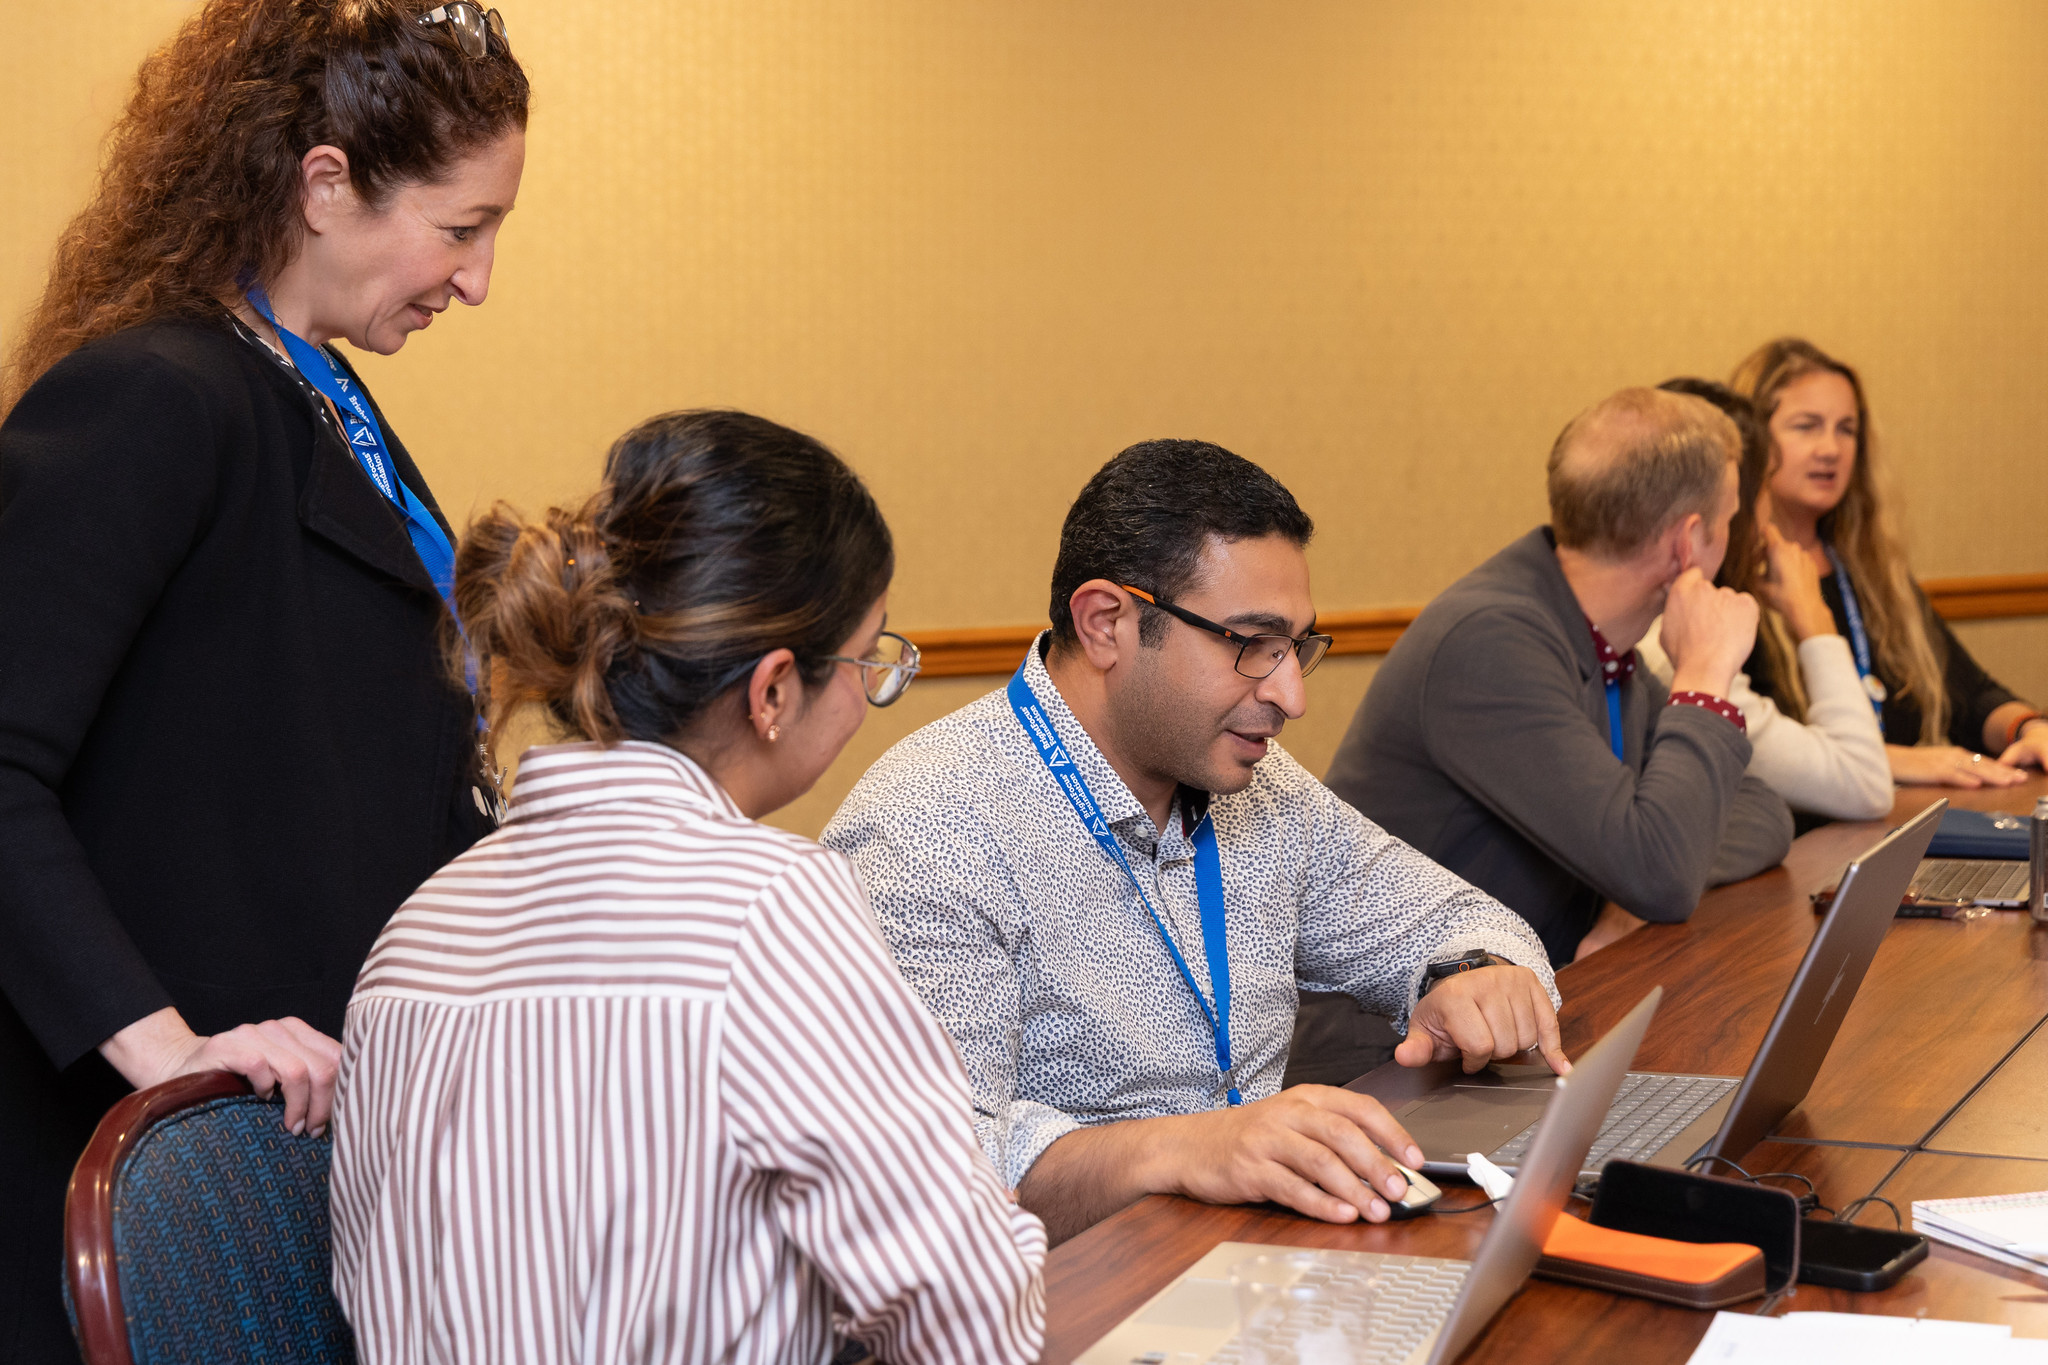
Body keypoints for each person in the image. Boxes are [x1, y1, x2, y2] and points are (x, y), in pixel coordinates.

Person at [0, 3, 525, 1358]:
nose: (476, 283)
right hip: (132, 1171)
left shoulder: (319, 396)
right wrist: (166, 1049)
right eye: (460, 229)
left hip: (297, 1144)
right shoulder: (155, 392)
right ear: (326, 182)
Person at [331, 410, 1046, 1365]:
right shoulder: (773, 909)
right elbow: (971, 1326)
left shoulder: (418, 927)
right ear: (775, 690)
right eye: (869, 658)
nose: (868, 696)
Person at [823, 439, 1563, 1247]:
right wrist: (1186, 1148)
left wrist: (1474, 975)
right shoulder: (929, 826)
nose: (1290, 694)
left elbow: (1460, 923)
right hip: (1055, 1308)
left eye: (1298, 647)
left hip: (1248, 1266)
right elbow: (929, 1177)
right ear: (1107, 623)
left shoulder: (1257, 785)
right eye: (1252, 644)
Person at [1325, 389, 1794, 966]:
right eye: (1729, 521)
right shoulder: (1493, 643)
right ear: (1689, 541)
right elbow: (1662, 874)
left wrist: (1630, 896)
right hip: (1401, 1043)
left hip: (1525, 1011)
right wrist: (1701, 677)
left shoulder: (1599, 643)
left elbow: (1763, 812)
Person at [1730, 337, 2048, 788]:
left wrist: (2030, 729)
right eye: (1807, 426)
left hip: (1909, 824)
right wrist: (1892, 761)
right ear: (1754, 439)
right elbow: (1752, 747)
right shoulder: (1727, 587)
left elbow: (1972, 697)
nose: (1831, 448)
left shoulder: (1871, 574)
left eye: (1846, 429)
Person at [1635, 379, 1891, 823]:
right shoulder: (1671, 646)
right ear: (1696, 531)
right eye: (1758, 498)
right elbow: (1864, 785)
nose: (1767, 522)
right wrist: (1815, 623)